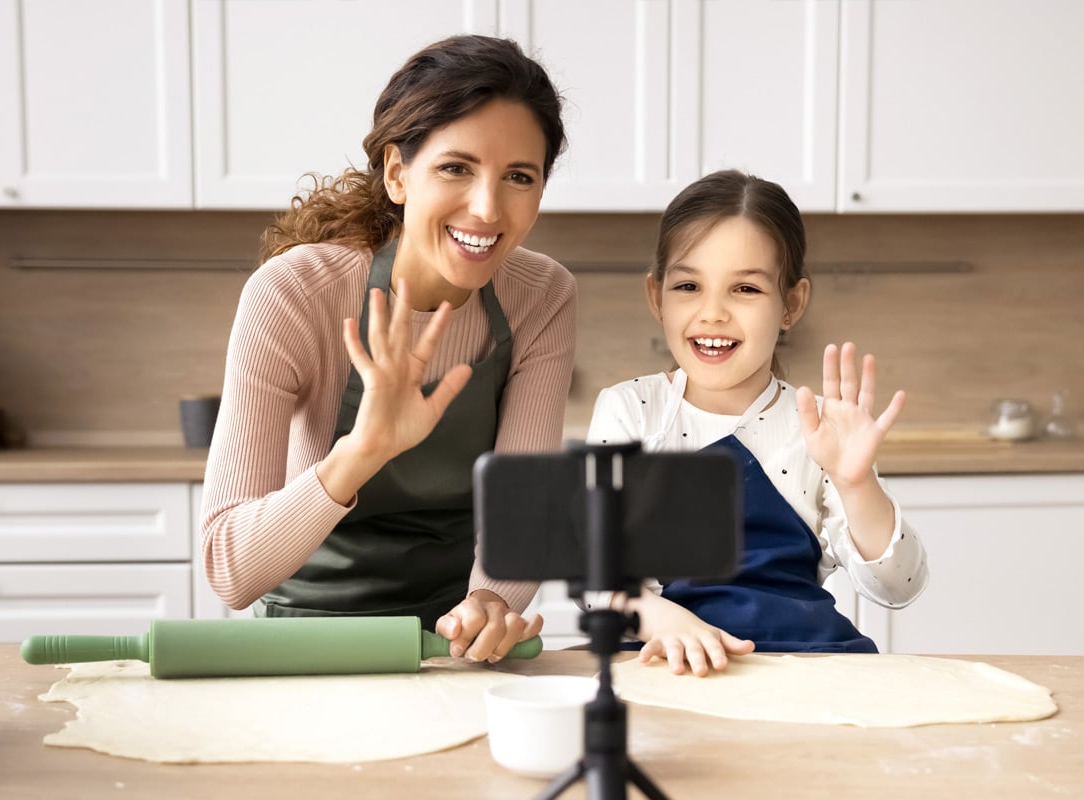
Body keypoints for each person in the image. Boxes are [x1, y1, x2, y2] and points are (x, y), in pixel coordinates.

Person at [200, 34, 576, 665]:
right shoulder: (295, 294)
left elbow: (522, 512)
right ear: (398, 174)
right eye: (456, 168)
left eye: (518, 176)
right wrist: (362, 451)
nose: (487, 208)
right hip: (305, 639)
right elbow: (230, 570)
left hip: (454, 642)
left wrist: (490, 601)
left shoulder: (542, 295)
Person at [586, 169, 928, 676]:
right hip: (679, 667)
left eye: (744, 288)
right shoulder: (632, 411)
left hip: (807, 667)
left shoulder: (816, 427)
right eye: (688, 285)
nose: (713, 313)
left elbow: (898, 588)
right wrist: (660, 618)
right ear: (657, 297)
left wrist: (856, 484)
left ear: (791, 304)